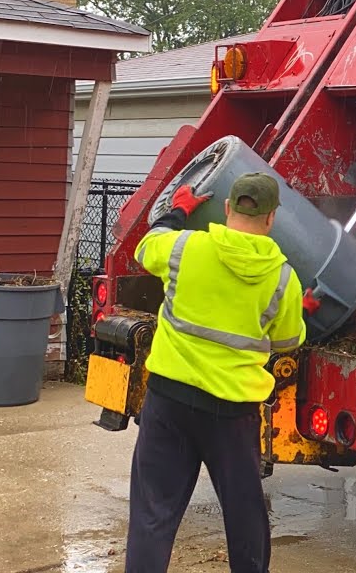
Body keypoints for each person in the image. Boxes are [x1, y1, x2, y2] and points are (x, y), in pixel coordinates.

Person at [126, 173, 320, 573]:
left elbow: (144, 249)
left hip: (168, 401)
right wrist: (300, 312)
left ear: (228, 208)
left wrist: (176, 211)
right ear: (271, 219)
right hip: (231, 413)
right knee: (243, 513)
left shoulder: (185, 247)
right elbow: (287, 342)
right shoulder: (283, 279)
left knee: (153, 516)